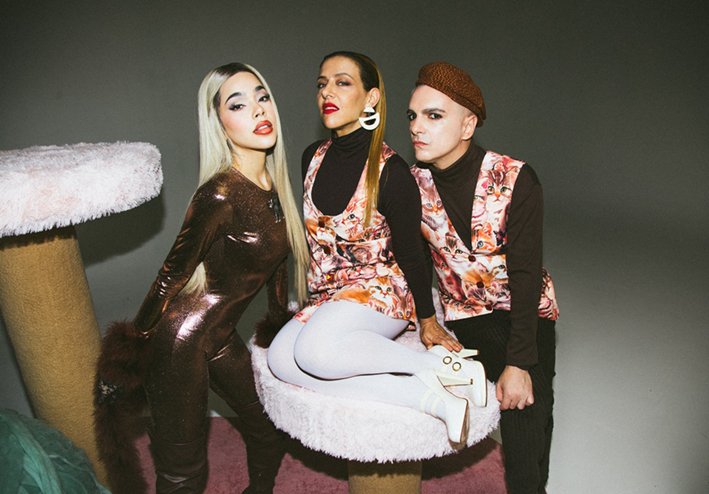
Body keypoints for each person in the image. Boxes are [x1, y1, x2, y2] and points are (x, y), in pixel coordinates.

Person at [97, 63, 309, 494]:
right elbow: (171, 274)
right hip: (179, 340)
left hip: (219, 335)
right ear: (218, 123)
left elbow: (277, 266)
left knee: (269, 430)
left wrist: (277, 324)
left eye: (262, 96)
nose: (258, 109)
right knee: (184, 471)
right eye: (238, 104)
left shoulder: (274, 186)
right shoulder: (219, 193)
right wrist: (129, 351)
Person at [267, 51, 487, 447]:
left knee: (314, 352)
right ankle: (434, 400)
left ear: (371, 98)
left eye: (342, 82)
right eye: (322, 84)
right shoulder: (311, 158)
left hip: (382, 292)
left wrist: (427, 320)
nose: (327, 92)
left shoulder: (391, 171)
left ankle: (431, 364)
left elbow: (412, 253)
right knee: (281, 360)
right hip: (330, 294)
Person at [407, 61, 560, 493]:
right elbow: (415, 262)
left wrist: (519, 362)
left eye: (434, 115)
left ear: (468, 124)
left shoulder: (516, 178)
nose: (417, 127)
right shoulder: (410, 184)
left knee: (529, 408)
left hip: (525, 311)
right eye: (413, 115)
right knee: (525, 410)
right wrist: (425, 319)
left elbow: (526, 274)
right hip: (466, 316)